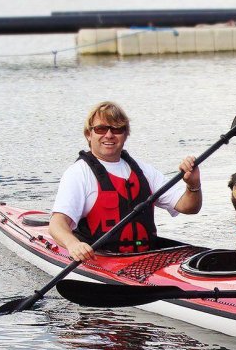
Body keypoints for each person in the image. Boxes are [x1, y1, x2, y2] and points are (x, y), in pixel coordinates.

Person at [49, 101, 203, 261]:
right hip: (98, 260)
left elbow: (189, 207)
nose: (109, 135)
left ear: (125, 134)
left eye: (117, 129)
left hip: (145, 260)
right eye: (101, 129)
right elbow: (57, 224)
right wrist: (73, 244)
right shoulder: (78, 173)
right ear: (89, 134)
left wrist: (193, 185)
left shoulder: (145, 171)